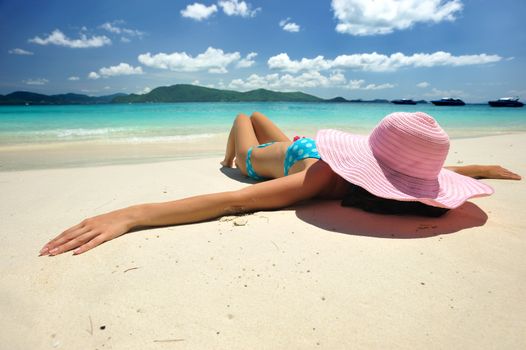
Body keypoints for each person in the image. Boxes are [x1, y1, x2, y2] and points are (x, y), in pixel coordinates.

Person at [40, 111, 521, 256]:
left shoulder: (324, 178)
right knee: (247, 116)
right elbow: (232, 202)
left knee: (251, 117)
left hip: (290, 153)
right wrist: (130, 214)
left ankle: (242, 145)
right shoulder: (325, 179)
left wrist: (476, 170)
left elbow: (234, 201)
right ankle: (229, 153)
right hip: (289, 155)